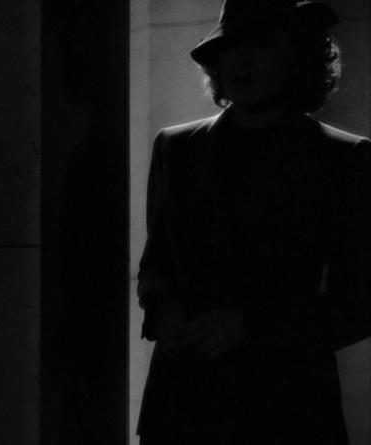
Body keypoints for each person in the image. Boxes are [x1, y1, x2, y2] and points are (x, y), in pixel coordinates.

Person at [136, 1, 371, 444]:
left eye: (261, 46)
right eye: (230, 47)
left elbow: (359, 302)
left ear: (296, 59)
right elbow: (156, 265)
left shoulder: (343, 158)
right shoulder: (176, 148)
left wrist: (252, 326)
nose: (241, 60)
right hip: (182, 405)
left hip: (287, 409)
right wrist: (164, 311)